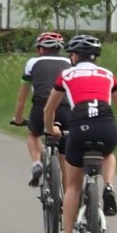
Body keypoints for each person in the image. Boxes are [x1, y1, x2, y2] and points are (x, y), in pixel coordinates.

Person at [43, 34, 117, 233]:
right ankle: (109, 186)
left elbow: (49, 109)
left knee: (73, 185)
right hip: (106, 125)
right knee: (108, 154)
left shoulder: (66, 75)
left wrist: (50, 128)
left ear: (74, 56)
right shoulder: (108, 74)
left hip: (80, 126)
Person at [11, 32, 71, 187]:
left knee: (33, 135)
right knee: (65, 163)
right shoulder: (70, 62)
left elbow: (22, 97)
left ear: (40, 49)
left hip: (41, 107)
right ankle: (66, 204)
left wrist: (18, 118)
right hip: (65, 109)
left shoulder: (33, 63)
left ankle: (37, 162)